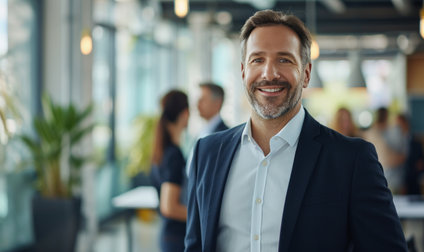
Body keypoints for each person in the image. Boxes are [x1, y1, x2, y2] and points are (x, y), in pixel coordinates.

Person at [185, 10, 407, 252]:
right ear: (243, 72)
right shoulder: (207, 152)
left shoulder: (351, 159)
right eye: (257, 60)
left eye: (284, 59)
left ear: (306, 74)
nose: (269, 73)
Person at [150, 90, 189, 252]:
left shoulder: (163, 150)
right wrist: (205, 216)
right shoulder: (173, 154)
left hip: (169, 234)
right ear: (185, 114)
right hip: (176, 237)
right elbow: (169, 207)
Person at [363, 107, 407, 194]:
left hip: (384, 179)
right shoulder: (393, 132)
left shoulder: (369, 133)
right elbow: (402, 157)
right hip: (386, 179)